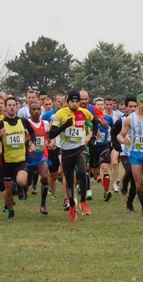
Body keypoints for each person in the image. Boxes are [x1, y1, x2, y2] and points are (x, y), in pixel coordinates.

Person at [49, 90, 99, 222]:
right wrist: (64, 125)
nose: (75, 104)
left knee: (82, 172)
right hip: (66, 151)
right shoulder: (60, 114)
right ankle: (72, 205)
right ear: (67, 102)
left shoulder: (84, 112)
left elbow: (96, 121)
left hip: (80, 148)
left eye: (77, 102)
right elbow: (51, 134)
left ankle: (83, 202)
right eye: (72, 101)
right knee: (70, 181)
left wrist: (92, 135)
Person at [0, 97, 37, 221]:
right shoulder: (0, 124)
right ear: (6, 108)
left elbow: (33, 133)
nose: (11, 107)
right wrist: (0, 135)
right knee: (8, 191)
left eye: (13, 105)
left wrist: (33, 143)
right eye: (9, 105)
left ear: (17, 107)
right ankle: (11, 211)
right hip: (7, 162)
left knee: (21, 181)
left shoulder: (23, 121)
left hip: (21, 160)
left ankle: (23, 188)